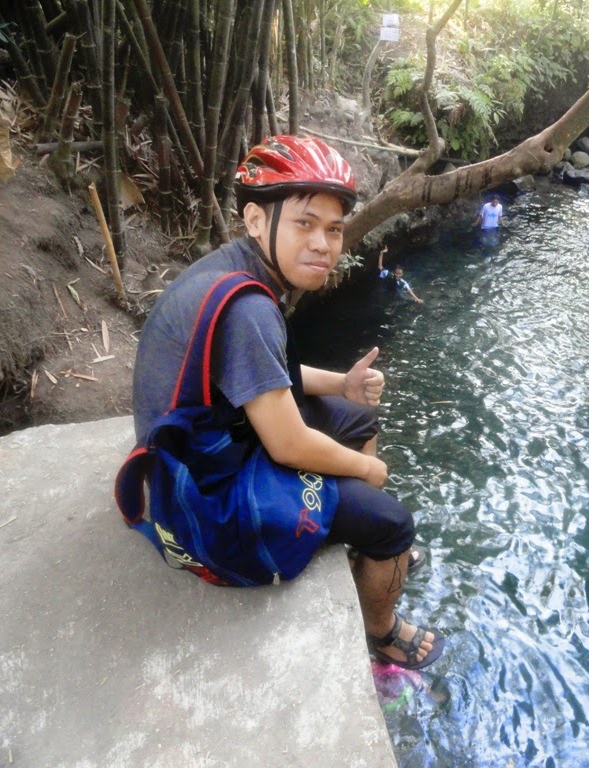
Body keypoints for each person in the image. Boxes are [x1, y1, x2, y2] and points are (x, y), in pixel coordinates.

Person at [130, 135, 443, 670]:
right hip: (210, 497)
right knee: (393, 525)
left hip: (204, 442)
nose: (323, 243)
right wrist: (368, 468)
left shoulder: (233, 272)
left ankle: (353, 535)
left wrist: (342, 384)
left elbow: (259, 375)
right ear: (256, 220)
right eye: (304, 223)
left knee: (359, 415)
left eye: (334, 229)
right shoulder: (250, 310)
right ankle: (380, 631)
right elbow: (288, 441)